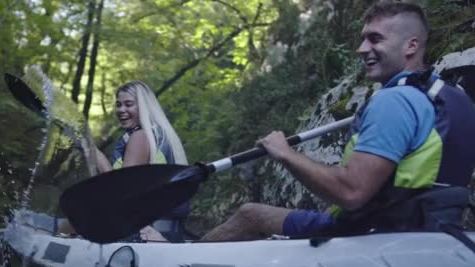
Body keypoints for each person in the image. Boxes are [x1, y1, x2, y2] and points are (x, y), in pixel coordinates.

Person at [201, 1, 475, 241]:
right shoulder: (449, 97)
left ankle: (179, 265)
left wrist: (285, 154)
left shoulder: (394, 101)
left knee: (251, 214)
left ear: (411, 45)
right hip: (435, 231)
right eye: (363, 39)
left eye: (375, 39)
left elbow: (351, 193)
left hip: (378, 234)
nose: (361, 48)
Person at [59, 80, 190, 242]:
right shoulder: (160, 135)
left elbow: (120, 191)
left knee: (69, 224)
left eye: (129, 104)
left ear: (143, 108)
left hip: (148, 237)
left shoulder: (140, 137)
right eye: (119, 105)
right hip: (170, 234)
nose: (121, 110)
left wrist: (95, 154)